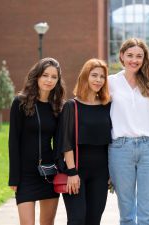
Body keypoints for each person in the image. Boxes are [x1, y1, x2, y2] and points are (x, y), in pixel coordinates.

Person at [108, 38, 149, 225]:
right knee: (126, 211)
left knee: (148, 211)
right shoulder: (110, 82)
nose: (134, 60)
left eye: (139, 56)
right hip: (120, 149)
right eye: (130, 55)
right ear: (121, 56)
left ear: (144, 59)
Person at [8, 57, 65, 225]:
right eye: (45, 75)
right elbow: (13, 141)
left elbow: (60, 142)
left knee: (47, 223)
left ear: (58, 80)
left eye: (54, 77)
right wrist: (14, 177)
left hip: (48, 173)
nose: (49, 80)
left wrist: (61, 169)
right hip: (26, 175)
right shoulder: (20, 102)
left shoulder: (58, 106)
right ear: (37, 76)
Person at [56, 58, 112, 225]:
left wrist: (111, 172)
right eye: (94, 75)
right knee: (77, 219)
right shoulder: (71, 106)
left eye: (102, 77)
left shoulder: (107, 105)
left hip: (101, 173)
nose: (98, 80)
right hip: (77, 171)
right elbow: (66, 141)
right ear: (85, 77)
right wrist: (72, 172)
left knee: (94, 220)